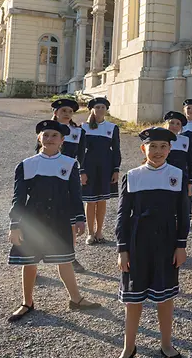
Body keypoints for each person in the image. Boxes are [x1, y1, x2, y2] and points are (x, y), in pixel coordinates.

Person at [7, 120, 101, 322]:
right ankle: (27, 302)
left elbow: (75, 195)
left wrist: (79, 219)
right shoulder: (26, 165)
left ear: (62, 140)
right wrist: (15, 225)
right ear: (39, 138)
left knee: (64, 260)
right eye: (46, 135)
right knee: (29, 262)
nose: (50, 139)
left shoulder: (69, 164)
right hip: (33, 220)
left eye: (54, 136)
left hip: (60, 219)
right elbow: (19, 198)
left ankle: (76, 299)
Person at [113, 127, 189, 358]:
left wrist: (181, 245)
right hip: (138, 243)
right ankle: (128, 347)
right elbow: (123, 215)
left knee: (165, 297)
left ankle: (166, 344)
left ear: (170, 149)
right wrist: (122, 249)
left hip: (167, 243)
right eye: (152, 146)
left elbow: (183, 214)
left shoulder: (177, 175)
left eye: (163, 147)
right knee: (133, 299)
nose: (157, 152)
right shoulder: (133, 176)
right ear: (143, 149)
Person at [48, 97, 86, 272]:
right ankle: (33, 262)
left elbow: (81, 154)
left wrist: (82, 172)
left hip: (69, 176)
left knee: (70, 219)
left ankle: (70, 257)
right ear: (56, 112)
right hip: (48, 175)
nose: (67, 114)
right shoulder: (47, 130)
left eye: (70, 111)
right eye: (64, 111)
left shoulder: (78, 131)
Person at [79, 97, 121, 244]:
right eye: (97, 107)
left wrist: (116, 169)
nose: (100, 110)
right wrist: (82, 171)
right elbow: (80, 151)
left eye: (103, 107)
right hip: (89, 167)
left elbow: (116, 150)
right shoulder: (83, 127)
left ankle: (99, 231)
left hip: (106, 167)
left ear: (106, 109)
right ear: (92, 109)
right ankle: (90, 233)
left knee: (102, 200)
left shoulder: (112, 128)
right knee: (90, 201)